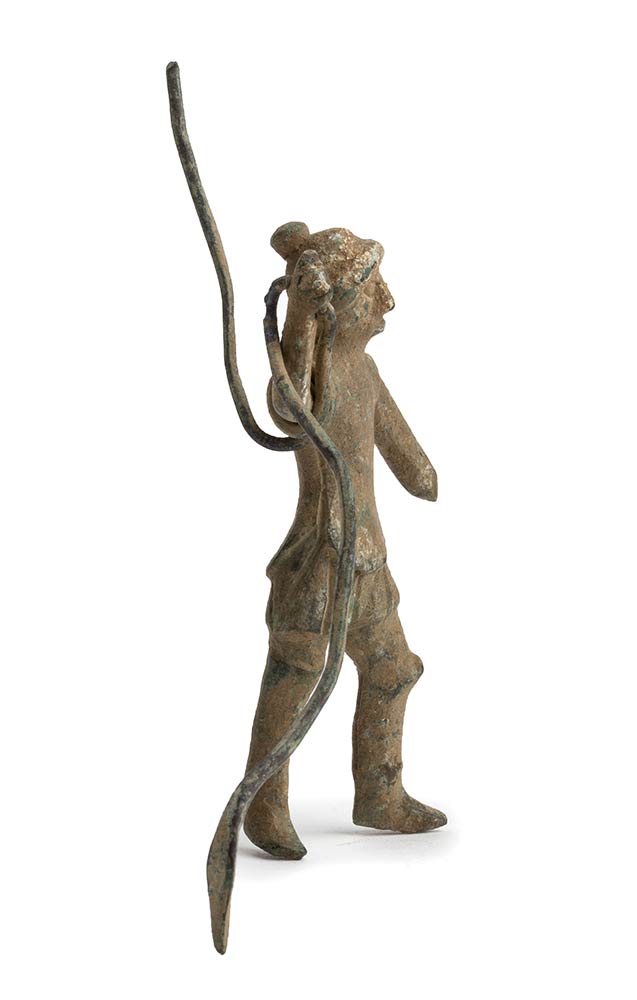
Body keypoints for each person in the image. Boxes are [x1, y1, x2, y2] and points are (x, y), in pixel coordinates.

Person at [244, 222, 447, 860]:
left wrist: (422, 472)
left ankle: (379, 794)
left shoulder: (364, 370)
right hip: (320, 556)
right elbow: (290, 407)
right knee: (296, 670)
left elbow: (412, 465)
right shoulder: (313, 373)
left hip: (367, 560)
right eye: (373, 286)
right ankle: (263, 806)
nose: (388, 300)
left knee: (392, 670)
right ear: (336, 304)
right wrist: (300, 319)